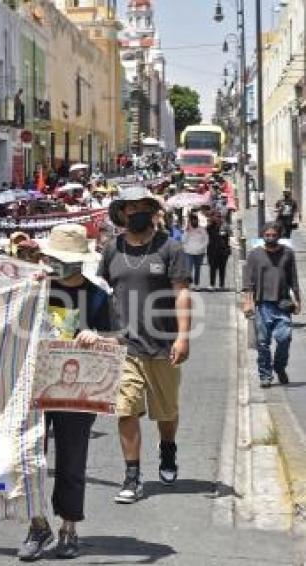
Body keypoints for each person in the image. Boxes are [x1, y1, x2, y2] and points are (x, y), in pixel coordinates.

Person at [20, 223, 119, 561]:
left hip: (78, 392)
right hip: (35, 385)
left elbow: (118, 339)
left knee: (72, 458)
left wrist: (98, 337)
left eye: (63, 259)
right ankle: (37, 524)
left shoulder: (98, 295)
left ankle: (68, 528)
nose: (56, 264)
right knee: (29, 456)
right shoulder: (38, 289)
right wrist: (26, 291)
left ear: (79, 262)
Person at [100, 186, 191, 504]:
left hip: (164, 345)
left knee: (166, 413)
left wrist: (183, 336)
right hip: (125, 346)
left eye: (142, 206)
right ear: (122, 213)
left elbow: (181, 293)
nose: (135, 212)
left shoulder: (170, 248)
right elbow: (104, 292)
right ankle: (132, 476)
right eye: (130, 207)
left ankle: (168, 449)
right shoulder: (112, 249)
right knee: (125, 410)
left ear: (152, 211)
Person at [243, 222, 301, 387]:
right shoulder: (254, 255)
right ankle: (265, 375)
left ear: (279, 235)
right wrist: (248, 302)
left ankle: (279, 367)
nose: (270, 238)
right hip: (262, 305)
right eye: (267, 235)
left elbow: (294, 280)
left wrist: (298, 301)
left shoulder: (288, 254)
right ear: (262, 235)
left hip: (283, 304)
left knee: (285, 339)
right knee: (263, 343)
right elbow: (248, 282)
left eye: (273, 235)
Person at [206, 212, 232, 290]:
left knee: (222, 268)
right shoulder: (210, 227)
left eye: (219, 217)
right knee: (212, 268)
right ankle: (212, 284)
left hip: (223, 251)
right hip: (212, 251)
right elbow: (205, 235)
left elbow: (230, 234)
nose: (218, 218)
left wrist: (225, 232)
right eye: (216, 217)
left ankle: (221, 285)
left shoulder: (225, 226)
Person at [181, 213, 208, 288]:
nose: (195, 222)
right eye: (193, 221)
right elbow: (183, 240)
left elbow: (206, 240)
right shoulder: (187, 230)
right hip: (189, 252)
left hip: (199, 253)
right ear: (190, 221)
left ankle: (197, 284)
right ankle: (188, 284)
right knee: (188, 269)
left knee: (197, 269)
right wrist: (187, 231)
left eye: (196, 221)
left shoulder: (202, 229)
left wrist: (201, 248)